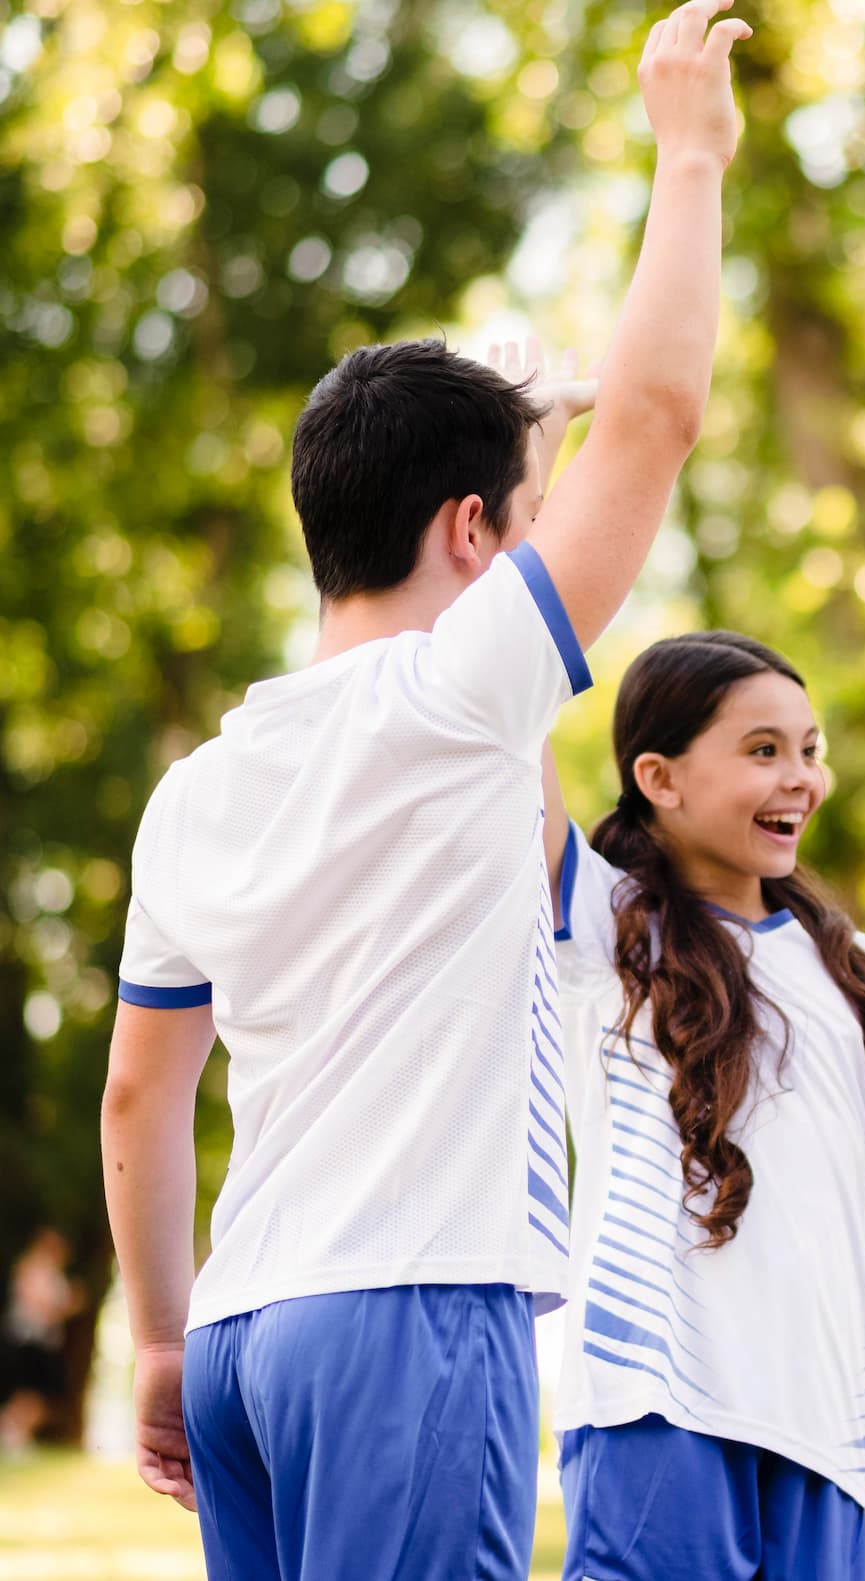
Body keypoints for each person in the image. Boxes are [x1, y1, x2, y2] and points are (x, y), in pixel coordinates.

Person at [98, 6, 750, 1576]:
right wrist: (690, 152)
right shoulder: (459, 700)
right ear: (470, 533)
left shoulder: (195, 792)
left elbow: (140, 1097)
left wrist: (162, 1342)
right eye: (523, 519)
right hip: (409, 1315)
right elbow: (657, 421)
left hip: (244, 1337)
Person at [544, 633, 865, 1581]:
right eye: (763, 750)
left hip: (822, 1440)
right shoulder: (604, 927)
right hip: (656, 1410)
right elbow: (507, 706)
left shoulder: (857, 972)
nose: (800, 776)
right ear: (659, 778)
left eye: (809, 749)